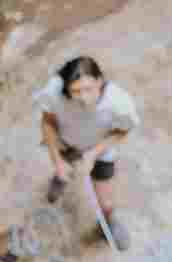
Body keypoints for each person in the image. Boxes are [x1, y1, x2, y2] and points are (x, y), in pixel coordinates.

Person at [34, 56, 139, 251]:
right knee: (63, 169)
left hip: (99, 152)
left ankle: (106, 224)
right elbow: (47, 122)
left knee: (106, 204)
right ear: (66, 88)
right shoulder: (54, 92)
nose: (83, 97)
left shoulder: (119, 103)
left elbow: (124, 130)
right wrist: (56, 159)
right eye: (76, 91)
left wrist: (94, 153)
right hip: (66, 145)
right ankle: (60, 177)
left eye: (88, 89)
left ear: (100, 81)